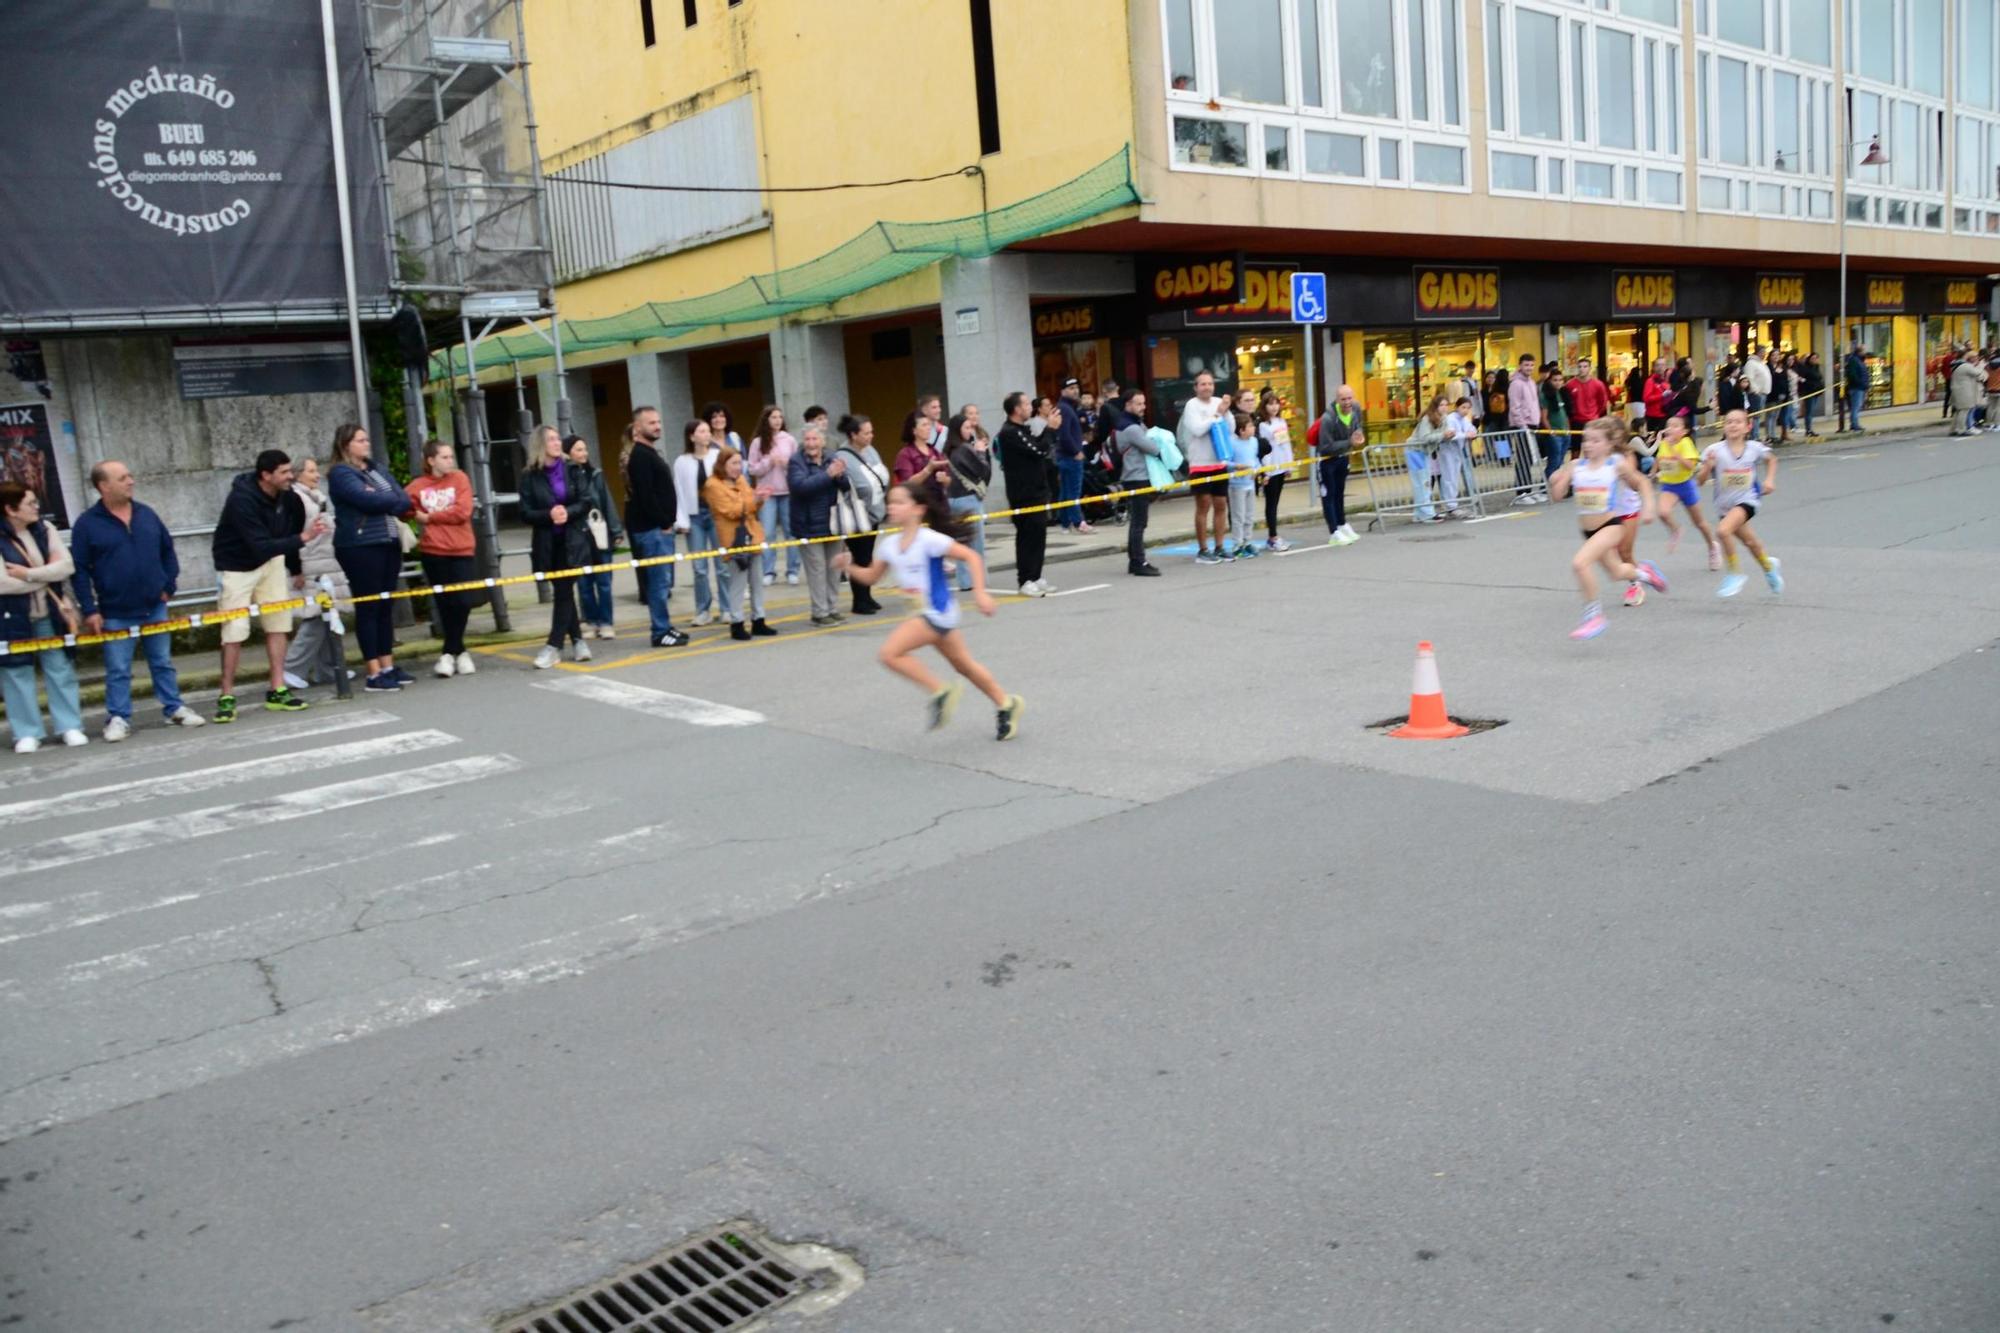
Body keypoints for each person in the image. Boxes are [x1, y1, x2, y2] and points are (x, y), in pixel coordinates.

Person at [835, 482, 1024, 742]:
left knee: (890, 654)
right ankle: (1006, 704)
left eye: (899, 502)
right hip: (922, 616)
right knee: (965, 666)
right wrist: (849, 567)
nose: (892, 507)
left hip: (937, 612)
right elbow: (870, 577)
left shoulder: (930, 540)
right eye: (890, 502)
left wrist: (980, 592)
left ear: (918, 509)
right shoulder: (889, 545)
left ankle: (941, 692)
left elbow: (972, 557)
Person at [68, 460, 204, 740]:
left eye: (130, 475)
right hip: (115, 609)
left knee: (162, 661)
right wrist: (90, 609)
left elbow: (168, 550)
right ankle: (118, 716)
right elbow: (79, 570)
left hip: (154, 605)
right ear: (103, 486)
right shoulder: (87, 524)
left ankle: (173, 707)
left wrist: (169, 585)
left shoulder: (146, 514)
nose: (131, 481)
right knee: (118, 668)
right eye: (122, 478)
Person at [211, 448, 317, 721]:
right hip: (236, 566)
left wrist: (295, 567)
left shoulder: (290, 499)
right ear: (265, 475)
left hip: (272, 561)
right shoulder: (241, 501)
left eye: (290, 470)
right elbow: (260, 545)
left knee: (279, 623)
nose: (290, 476)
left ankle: (277, 688)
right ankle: (226, 694)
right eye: (283, 472)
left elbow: (291, 534)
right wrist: (303, 539)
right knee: (234, 630)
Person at [1547, 417, 1668, 640]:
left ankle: (1594, 615)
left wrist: (1650, 507)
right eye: (1586, 440)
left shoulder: (1615, 464)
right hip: (1589, 531)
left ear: (1609, 444)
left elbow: (1641, 482)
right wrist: (1559, 480)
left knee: (1579, 563)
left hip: (1611, 526)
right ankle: (1645, 574)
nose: (1588, 445)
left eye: (1595, 440)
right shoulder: (1576, 466)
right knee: (1616, 572)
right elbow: (1557, 496)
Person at [328, 423, 416, 693]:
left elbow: (403, 499)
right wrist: (385, 499)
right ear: (346, 445)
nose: (367, 444)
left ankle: (388, 665)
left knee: (384, 605)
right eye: (360, 440)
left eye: (367, 439)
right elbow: (365, 501)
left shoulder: (376, 469)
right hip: (360, 544)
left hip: (387, 540)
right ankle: (373, 671)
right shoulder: (341, 473)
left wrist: (382, 497)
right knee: (369, 606)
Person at [0, 483, 87, 752]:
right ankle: (27, 732)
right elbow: (3, 583)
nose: (37, 507)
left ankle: (69, 725)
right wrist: (46, 574)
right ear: (10, 509)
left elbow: (67, 566)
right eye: (30, 503)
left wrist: (28, 575)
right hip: (12, 616)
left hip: (49, 611)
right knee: (16, 671)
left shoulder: (44, 529)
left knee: (59, 667)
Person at [519, 424, 596, 669]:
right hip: (547, 543)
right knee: (563, 592)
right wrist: (548, 514)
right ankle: (578, 640)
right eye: (551, 439)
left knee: (563, 591)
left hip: (572, 540)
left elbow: (586, 501)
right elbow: (525, 512)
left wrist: (567, 512)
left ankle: (553, 646)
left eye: (557, 439)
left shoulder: (573, 469)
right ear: (540, 444)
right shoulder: (529, 475)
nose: (557, 443)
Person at [406, 438, 480, 676]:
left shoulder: (460, 479)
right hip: (433, 550)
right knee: (445, 603)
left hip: (461, 548)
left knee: (464, 601)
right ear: (431, 460)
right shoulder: (418, 485)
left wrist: (430, 517)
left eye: (451, 456)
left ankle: (450, 650)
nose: (450, 461)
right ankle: (458, 653)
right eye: (445, 457)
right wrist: (417, 516)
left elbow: (462, 511)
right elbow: (404, 508)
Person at [1696, 408, 1783, 599]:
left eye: (1738, 422)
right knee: (1750, 542)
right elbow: (1699, 482)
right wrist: (1707, 468)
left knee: (1722, 531)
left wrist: (1769, 480)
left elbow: (1772, 460)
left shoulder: (1754, 448)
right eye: (1729, 422)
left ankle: (1735, 572)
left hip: (1748, 500)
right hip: (1724, 506)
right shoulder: (1714, 451)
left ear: (1747, 427)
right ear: (1723, 426)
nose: (1733, 425)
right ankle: (1769, 567)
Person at [283, 457, 353, 692]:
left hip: (322, 563)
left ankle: (329, 668)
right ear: (298, 474)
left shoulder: (313, 497)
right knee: (315, 618)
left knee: (326, 616)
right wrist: (296, 568)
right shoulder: (296, 499)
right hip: (310, 565)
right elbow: (291, 534)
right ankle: (292, 669)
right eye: (311, 471)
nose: (317, 475)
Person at [623, 405, 689, 649]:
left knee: (663, 582)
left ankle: (665, 626)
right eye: (651, 423)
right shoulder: (639, 456)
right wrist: (663, 522)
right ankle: (660, 631)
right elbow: (645, 495)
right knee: (658, 583)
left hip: (659, 529)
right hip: (652, 531)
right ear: (638, 427)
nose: (657, 426)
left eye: (659, 422)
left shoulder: (650, 453)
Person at [702, 445, 779, 641]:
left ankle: (758, 619)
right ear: (723, 464)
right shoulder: (712, 485)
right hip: (734, 539)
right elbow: (730, 510)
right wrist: (754, 500)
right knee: (738, 583)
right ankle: (737, 623)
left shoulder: (742, 480)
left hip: (752, 534)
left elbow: (750, 506)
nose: (738, 467)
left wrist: (759, 499)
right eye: (733, 463)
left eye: (739, 463)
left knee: (756, 581)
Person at [675, 411, 734, 627]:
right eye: (701, 431)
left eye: (708, 431)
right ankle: (703, 610)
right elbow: (679, 491)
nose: (706, 434)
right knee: (699, 567)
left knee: (722, 564)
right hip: (695, 517)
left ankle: (727, 608)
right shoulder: (682, 461)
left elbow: (728, 485)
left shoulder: (718, 457)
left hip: (716, 515)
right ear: (692, 436)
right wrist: (681, 521)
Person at [788, 424, 849, 626]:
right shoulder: (796, 462)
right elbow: (801, 488)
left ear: (823, 441)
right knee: (817, 570)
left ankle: (832, 608)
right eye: (808, 440)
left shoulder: (832, 457)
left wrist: (841, 476)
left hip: (831, 522)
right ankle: (819, 612)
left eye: (815, 439)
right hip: (807, 524)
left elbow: (846, 486)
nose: (811, 444)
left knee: (833, 569)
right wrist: (828, 475)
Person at [995, 392, 1055, 594]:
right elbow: (1038, 450)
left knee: (1039, 534)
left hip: (1037, 490)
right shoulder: (1010, 432)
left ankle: (1036, 576)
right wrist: (1049, 430)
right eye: (1027, 404)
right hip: (1023, 493)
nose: (1031, 407)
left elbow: (1038, 447)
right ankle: (1025, 579)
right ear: (1016, 409)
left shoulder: (1023, 429)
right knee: (1027, 535)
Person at [564, 434, 622, 640]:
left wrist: (616, 531)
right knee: (584, 583)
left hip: (599, 533)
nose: (584, 453)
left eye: (585, 449)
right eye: (579, 449)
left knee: (604, 581)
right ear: (568, 452)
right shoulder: (565, 476)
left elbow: (607, 503)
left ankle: (606, 622)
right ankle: (589, 620)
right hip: (578, 536)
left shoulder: (595, 474)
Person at [833, 413, 890, 613]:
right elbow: (846, 485)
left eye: (871, 432)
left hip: (873, 513)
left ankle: (867, 595)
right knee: (860, 556)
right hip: (856, 514)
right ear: (853, 435)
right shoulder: (842, 456)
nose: (870, 436)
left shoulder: (871, 451)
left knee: (867, 557)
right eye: (866, 433)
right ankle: (859, 600)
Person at [1649, 415, 1721, 572]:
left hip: (1686, 485)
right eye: (1669, 425)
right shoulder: (1664, 443)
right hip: (1669, 485)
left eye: (1675, 426)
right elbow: (1659, 459)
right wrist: (1652, 473)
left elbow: (1690, 466)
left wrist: (1676, 453)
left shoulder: (1686, 443)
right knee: (1662, 512)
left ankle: (1712, 547)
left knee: (1699, 523)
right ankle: (1675, 529)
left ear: (1684, 431)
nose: (1670, 429)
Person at [1176, 371, 1232, 563]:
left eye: (1210, 383)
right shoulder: (1192, 405)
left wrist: (1225, 411)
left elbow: (1230, 428)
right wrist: (1217, 415)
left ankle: (1220, 546)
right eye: (1203, 384)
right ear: (1196, 387)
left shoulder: (1219, 402)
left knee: (1221, 504)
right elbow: (1197, 429)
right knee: (1203, 504)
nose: (1207, 387)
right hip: (1200, 464)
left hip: (1219, 461)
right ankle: (1203, 548)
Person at [747, 406, 799, 587]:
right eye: (773, 417)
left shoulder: (790, 440)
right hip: (767, 494)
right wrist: (769, 461)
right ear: (766, 420)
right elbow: (752, 468)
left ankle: (793, 570)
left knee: (791, 532)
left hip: (787, 491)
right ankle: (768, 571)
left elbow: (798, 466)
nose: (777, 420)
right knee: (767, 533)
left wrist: (785, 463)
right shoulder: (758, 442)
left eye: (779, 417)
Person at [942, 412, 992, 592]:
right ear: (958, 429)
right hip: (968, 500)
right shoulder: (964, 449)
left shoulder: (948, 450)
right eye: (967, 427)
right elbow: (982, 471)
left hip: (952, 499)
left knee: (961, 541)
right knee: (976, 542)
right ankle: (978, 580)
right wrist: (981, 452)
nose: (970, 431)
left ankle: (965, 581)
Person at [1115, 391, 1162, 576]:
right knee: (1139, 522)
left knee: (1138, 521)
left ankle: (1135, 560)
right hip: (1136, 477)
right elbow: (1153, 448)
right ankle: (1138, 562)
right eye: (1139, 404)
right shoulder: (1131, 428)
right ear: (1128, 405)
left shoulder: (1131, 423)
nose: (1143, 407)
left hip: (1134, 476)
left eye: (1143, 403)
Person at [1317, 384, 1364, 545]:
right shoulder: (1328, 418)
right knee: (1329, 494)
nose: (1347, 402)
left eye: (1349, 398)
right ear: (1337, 400)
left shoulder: (1356, 409)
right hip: (1327, 461)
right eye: (1343, 399)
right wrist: (1348, 442)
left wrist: (1358, 435)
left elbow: (1358, 427)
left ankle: (1342, 523)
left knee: (1339, 492)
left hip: (1343, 458)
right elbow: (1325, 446)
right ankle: (1333, 531)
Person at [1053, 376, 1094, 534]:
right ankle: (1078, 522)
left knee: (1065, 491)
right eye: (1071, 388)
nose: (1075, 390)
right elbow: (1064, 435)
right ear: (1063, 391)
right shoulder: (1065, 408)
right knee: (1073, 492)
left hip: (1066, 456)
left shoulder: (1068, 408)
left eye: (1076, 387)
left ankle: (1065, 523)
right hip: (1070, 457)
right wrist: (1076, 452)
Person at [1255, 391, 1293, 551]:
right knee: (1270, 503)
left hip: (1280, 467)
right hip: (1270, 467)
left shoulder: (1281, 421)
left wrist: (1288, 466)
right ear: (1264, 406)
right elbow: (1265, 448)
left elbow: (1285, 445)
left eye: (1276, 403)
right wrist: (1266, 472)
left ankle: (1274, 535)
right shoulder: (1263, 425)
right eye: (1270, 404)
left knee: (1276, 502)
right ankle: (1273, 536)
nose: (1274, 407)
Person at [1507, 354, 1545, 502]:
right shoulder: (1516, 384)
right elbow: (1515, 407)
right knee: (1523, 459)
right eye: (1526, 365)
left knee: (1529, 458)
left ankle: (1528, 490)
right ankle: (1521, 492)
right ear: (1520, 365)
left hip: (1532, 424)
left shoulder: (1531, 382)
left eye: (1531, 365)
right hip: (1523, 426)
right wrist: (1522, 425)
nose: (1529, 368)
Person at [893, 409, 950, 505]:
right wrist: (928, 469)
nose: (928, 428)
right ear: (914, 430)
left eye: (929, 424)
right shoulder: (905, 454)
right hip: (919, 505)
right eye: (924, 425)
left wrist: (944, 479)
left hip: (939, 504)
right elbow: (907, 485)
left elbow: (948, 480)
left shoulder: (934, 451)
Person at [1224, 410, 1260, 558]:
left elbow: (1255, 459)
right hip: (1236, 485)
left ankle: (1247, 541)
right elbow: (1226, 462)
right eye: (1250, 426)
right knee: (1238, 516)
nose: (1253, 429)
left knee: (1249, 515)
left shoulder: (1254, 442)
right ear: (1241, 430)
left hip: (1250, 483)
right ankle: (1237, 544)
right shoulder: (1231, 442)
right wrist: (1237, 466)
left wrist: (1257, 470)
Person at [1439, 395, 1477, 518]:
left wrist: (1471, 433)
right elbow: (1451, 434)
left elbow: (1472, 429)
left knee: (1454, 477)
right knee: (1449, 477)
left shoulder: (1464, 420)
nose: (1465, 410)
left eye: (1468, 408)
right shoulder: (1451, 419)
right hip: (1448, 451)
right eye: (1463, 407)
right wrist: (1466, 435)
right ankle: (1450, 505)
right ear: (1457, 407)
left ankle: (1452, 503)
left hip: (1457, 452)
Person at [1541, 362, 1573, 489]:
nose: (1558, 382)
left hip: (1565, 432)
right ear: (1550, 381)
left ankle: (1552, 486)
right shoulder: (1545, 396)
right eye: (1555, 380)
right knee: (1554, 462)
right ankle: (1545, 488)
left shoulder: (1561, 393)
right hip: (1554, 434)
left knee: (1559, 461)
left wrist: (1568, 429)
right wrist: (1551, 431)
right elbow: (1544, 417)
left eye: (1560, 380)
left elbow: (1564, 414)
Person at [1949, 349, 1986, 436]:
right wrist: (1980, 366)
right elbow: (1977, 372)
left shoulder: (1955, 365)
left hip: (1957, 390)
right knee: (1964, 410)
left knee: (1958, 411)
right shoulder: (1965, 366)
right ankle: (1961, 429)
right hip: (1964, 391)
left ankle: (1953, 429)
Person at [1742, 346, 1772, 438]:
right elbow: (1749, 378)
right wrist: (1755, 390)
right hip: (1756, 394)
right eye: (1763, 352)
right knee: (1755, 416)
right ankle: (1754, 436)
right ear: (1758, 352)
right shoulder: (1751, 363)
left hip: (1763, 393)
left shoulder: (1762, 364)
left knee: (1758, 416)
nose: (1764, 354)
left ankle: (1756, 435)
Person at [1768, 351, 1795, 444]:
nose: (1776, 357)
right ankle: (1769, 435)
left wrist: (1786, 393)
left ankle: (1774, 434)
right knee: (1770, 415)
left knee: (1775, 416)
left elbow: (1785, 381)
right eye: (1773, 355)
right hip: (1771, 394)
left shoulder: (1781, 367)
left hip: (1781, 395)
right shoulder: (1768, 367)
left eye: (1777, 355)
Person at [1798, 353, 1826, 439]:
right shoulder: (1805, 368)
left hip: (1816, 392)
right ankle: (1808, 430)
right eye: (1813, 358)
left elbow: (1819, 378)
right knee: (1809, 412)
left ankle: (1810, 429)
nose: (1814, 360)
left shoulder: (1816, 367)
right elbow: (1802, 380)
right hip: (1809, 392)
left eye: (1816, 358)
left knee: (1811, 411)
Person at [1843, 343, 1869, 433]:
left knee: (1857, 406)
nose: (1865, 352)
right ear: (1860, 351)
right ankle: (1854, 424)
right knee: (1855, 407)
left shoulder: (1859, 360)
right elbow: (1852, 375)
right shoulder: (1854, 360)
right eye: (1864, 350)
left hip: (1860, 387)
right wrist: (1860, 383)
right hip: (1856, 387)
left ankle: (1854, 424)